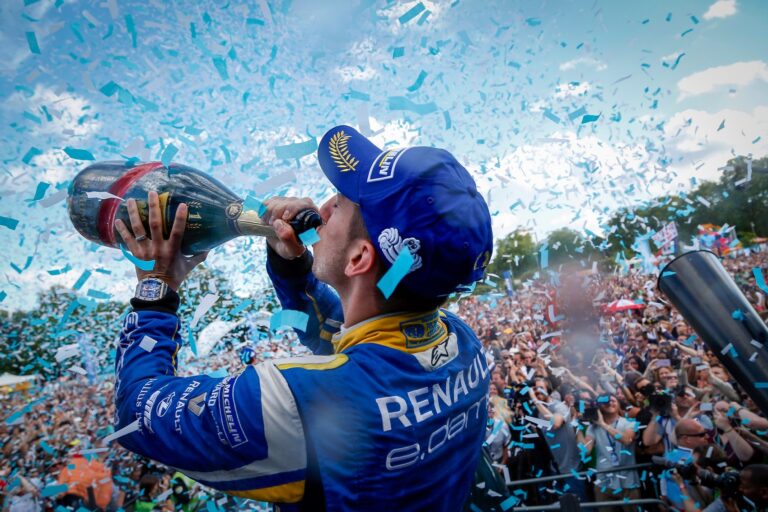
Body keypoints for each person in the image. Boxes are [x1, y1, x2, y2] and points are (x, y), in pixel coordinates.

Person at [111, 125, 494, 510]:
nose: (323, 207)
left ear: (359, 258)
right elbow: (333, 331)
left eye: (342, 202)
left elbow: (135, 413)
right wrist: (290, 263)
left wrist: (156, 286)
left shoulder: (296, 400)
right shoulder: (461, 343)